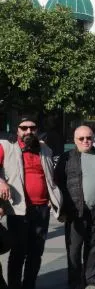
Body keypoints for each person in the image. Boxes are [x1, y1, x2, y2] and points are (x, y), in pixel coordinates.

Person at [0, 116, 63, 289]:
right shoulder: (6, 146)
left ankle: (29, 285)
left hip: (41, 208)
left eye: (32, 128)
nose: (28, 131)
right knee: (18, 252)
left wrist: (53, 196)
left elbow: (51, 175)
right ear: (17, 130)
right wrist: (1, 181)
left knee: (36, 253)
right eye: (24, 128)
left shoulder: (44, 148)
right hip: (19, 210)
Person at [54, 126, 95, 289]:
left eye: (89, 138)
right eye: (81, 138)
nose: (86, 141)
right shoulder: (67, 157)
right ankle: (75, 280)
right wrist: (62, 209)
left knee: (94, 245)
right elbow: (57, 183)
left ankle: (91, 277)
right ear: (74, 140)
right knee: (74, 249)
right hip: (75, 211)